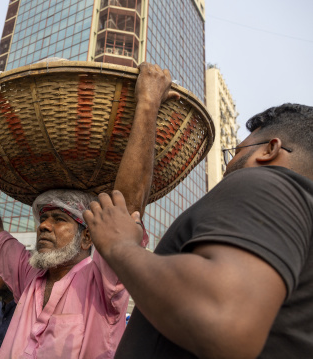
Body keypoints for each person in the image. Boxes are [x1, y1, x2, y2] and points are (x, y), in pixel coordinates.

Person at [0, 62, 175, 358]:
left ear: (87, 238)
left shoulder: (103, 282)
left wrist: (147, 102)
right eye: (43, 219)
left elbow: (125, 211)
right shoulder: (29, 274)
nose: (44, 226)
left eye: (59, 219)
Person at [84, 103, 313, 358]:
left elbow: (224, 319)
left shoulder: (265, 182)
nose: (229, 166)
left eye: (235, 152)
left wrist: (120, 246)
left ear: (270, 150)